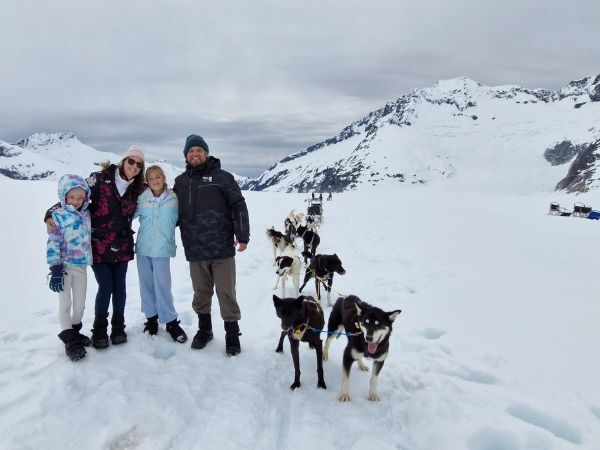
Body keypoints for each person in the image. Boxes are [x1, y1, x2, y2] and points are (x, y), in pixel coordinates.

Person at [45, 146, 145, 349]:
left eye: (139, 164)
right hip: (98, 245)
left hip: (123, 245)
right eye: (131, 161)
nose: (134, 167)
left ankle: (118, 327)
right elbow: (74, 195)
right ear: (123, 160)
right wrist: (49, 214)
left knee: (120, 287)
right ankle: (99, 330)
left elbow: (158, 190)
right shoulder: (98, 179)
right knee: (106, 286)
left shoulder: (138, 188)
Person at [173, 134, 250, 356]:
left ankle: (232, 335)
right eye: (190, 151)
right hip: (195, 249)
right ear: (186, 156)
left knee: (226, 292)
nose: (195, 154)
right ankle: (204, 330)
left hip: (222, 248)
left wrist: (242, 235)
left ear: (206, 153)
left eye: (198, 150)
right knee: (201, 292)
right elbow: (171, 213)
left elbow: (238, 205)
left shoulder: (223, 177)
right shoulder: (180, 182)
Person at [134, 165, 187, 343]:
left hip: (163, 249)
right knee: (146, 285)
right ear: (147, 182)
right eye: (151, 178)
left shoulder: (174, 198)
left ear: (163, 178)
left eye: (158, 177)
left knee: (163, 286)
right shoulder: (142, 198)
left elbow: (186, 216)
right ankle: (151, 320)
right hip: (143, 248)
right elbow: (126, 215)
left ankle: (171, 322)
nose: (155, 181)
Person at [47, 174, 92, 362]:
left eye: (80, 197)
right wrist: (55, 268)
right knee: (65, 304)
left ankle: (74, 331)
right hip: (64, 267)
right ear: (64, 197)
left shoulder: (87, 213)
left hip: (81, 266)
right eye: (72, 197)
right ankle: (69, 340)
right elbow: (53, 243)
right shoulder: (57, 216)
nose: (76, 201)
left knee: (80, 305)